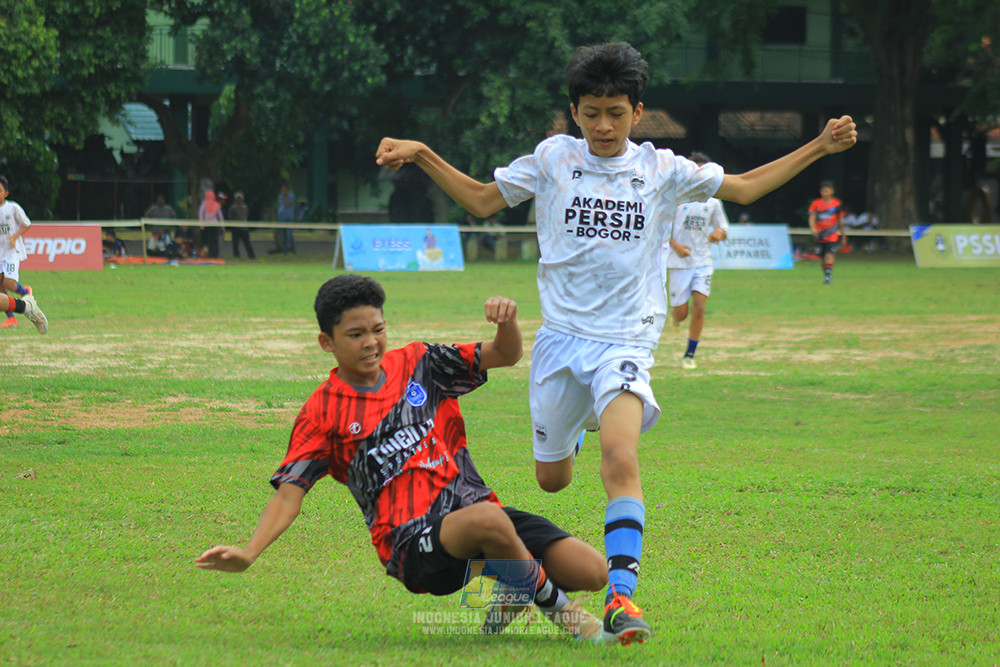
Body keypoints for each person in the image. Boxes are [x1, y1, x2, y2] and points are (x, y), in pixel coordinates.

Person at [374, 41, 857, 645]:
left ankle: (621, 600)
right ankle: (520, 566)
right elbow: (479, 200)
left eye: (617, 113)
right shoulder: (553, 159)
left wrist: (819, 145)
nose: (604, 125)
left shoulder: (661, 168)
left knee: (621, 460)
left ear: (638, 111)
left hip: (625, 340)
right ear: (574, 111)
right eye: (591, 112)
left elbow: (745, 188)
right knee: (552, 480)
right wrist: (421, 152)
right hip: (558, 344)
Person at [195, 274, 607, 641]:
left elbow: (505, 354)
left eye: (377, 329)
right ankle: (565, 615)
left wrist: (507, 323)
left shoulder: (419, 363)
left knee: (593, 571)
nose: (371, 342)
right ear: (327, 342)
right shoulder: (322, 412)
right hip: (412, 546)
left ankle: (513, 584)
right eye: (355, 334)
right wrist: (249, 552)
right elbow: (289, 495)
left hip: (474, 513)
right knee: (489, 521)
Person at [664, 151, 729, 370]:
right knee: (681, 314)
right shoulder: (675, 199)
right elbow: (661, 228)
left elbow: (723, 226)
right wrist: (676, 246)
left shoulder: (713, 202)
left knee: (699, 307)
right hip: (678, 262)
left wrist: (719, 233)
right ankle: (676, 318)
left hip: (702, 261)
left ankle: (690, 354)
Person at [0, 176, 35, 329]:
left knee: (8, 282)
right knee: (1, 287)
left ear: (6, 193)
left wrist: (14, 237)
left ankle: (25, 291)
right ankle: (11, 318)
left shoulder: (13, 208)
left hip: (11, 252)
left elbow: (27, 224)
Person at [807, 180, 847, 284]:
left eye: (826, 191)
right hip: (820, 234)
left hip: (832, 234)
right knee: (822, 256)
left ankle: (828, 276)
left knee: (829, 254)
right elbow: (812, 218)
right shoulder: (816, 204)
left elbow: (840, 220)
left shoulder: (836, 204)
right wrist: (813, 228)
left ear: (832, 191)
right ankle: (826, 273)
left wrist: (843, 235)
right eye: (823, 191)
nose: (824, 193)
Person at [228, 192, 255, 259]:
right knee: (235, 244)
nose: (239, 199)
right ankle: (236, 256)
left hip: (244, 228)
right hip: (236, 229)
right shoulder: (233, 207)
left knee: (247, 243)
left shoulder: (245, 207)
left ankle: (252, 256)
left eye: (240, 198)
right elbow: (230, 216)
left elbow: (246, 215)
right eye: (238, 198)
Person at [198, 190, 224, 259]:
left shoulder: (204, 204)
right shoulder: (216, 204)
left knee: (207, 240)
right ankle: (213, 255)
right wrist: (222, 226)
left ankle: (208, 254)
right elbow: (220, 217)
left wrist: (201, 224)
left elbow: (201, 214)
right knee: (214, 241)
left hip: (206, 225)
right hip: (214, 225)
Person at [273, 184, 296, 255]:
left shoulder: (291, 196)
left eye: (285, 189)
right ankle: (285, 252)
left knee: (289, 235)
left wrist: (284, 196)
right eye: (282, 189)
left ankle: (293, 251)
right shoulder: (279, 197)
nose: (283, 191)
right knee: (283, 237)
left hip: (289, 218)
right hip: (281, 219)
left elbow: (287, 204)